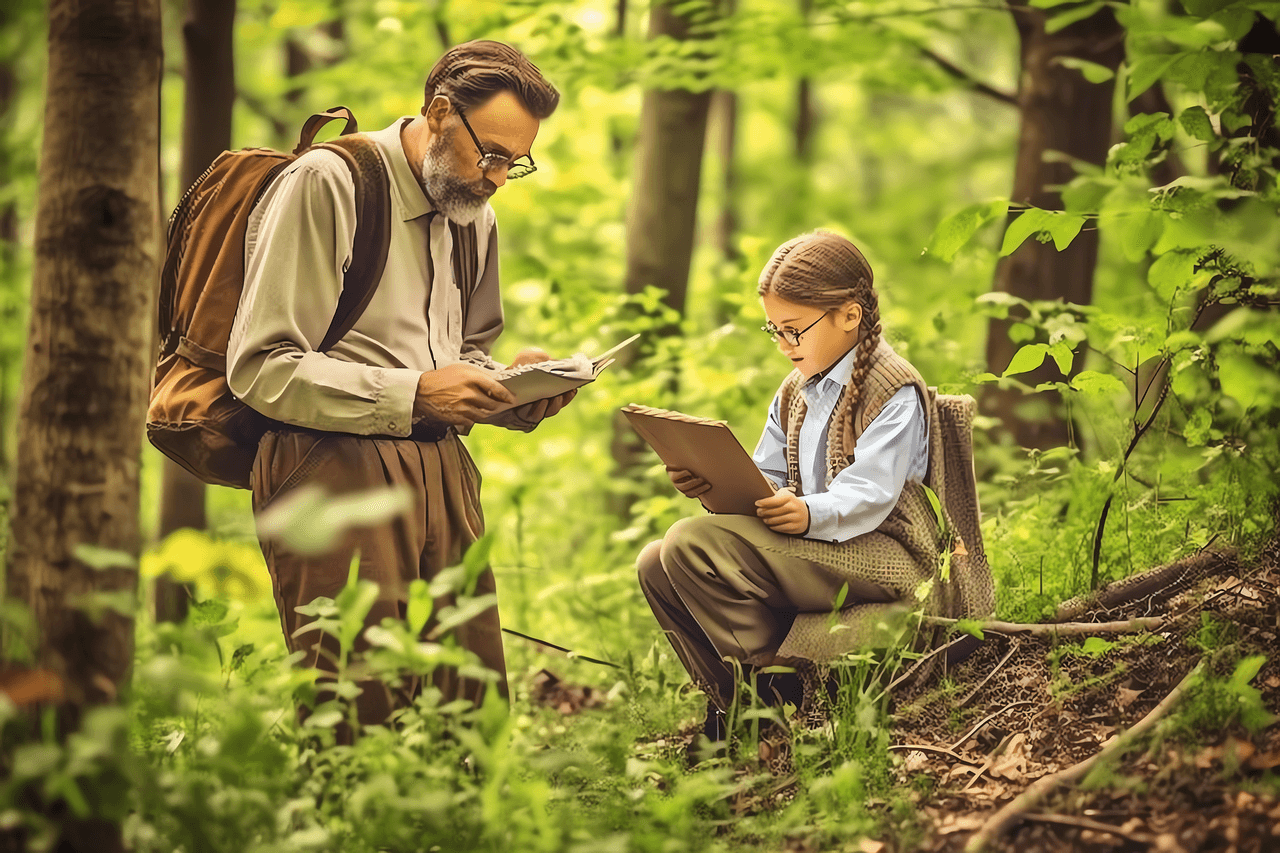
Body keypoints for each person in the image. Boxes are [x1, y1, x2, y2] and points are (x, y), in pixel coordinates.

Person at [228, 40, 574, 726]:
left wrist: (509, 386)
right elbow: (260, 367)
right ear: (440, 112)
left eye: (517, 161)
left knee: (468, 706)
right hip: (330, 465)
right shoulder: (331, 183)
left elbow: (464, 350)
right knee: (361, 707)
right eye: (493, 154)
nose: (500, 177)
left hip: (443, 465)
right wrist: (416, 394)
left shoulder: (476, 213)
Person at [637, 229, 963, 745]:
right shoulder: (796, 389)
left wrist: (810, 513)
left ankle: (774, 699)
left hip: (886, 554)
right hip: (817, 544)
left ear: (849, 315)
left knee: (687, 543)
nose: (785, 345)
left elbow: (871, 493)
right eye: (775, 331)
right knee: (656, 562)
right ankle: (735, 702)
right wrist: (711, 484)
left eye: (795, 330)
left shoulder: (893, 388)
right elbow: (767, 475)